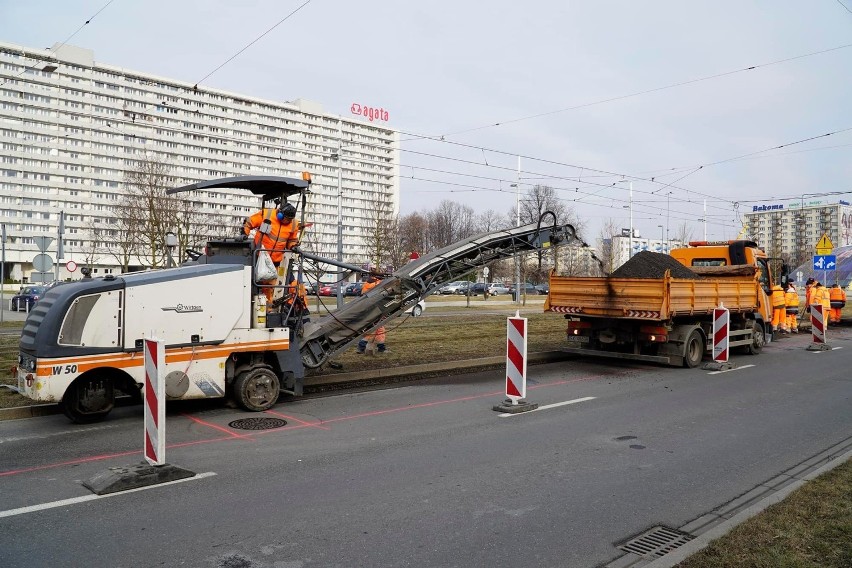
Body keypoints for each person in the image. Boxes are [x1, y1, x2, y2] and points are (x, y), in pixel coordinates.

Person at [242, 201, 302, 304]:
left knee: (279, 287)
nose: (287, 221)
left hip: (277, 261)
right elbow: (249, 222)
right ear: (280, 214)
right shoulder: (266, 214)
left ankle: (271, 311)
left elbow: (291, 240)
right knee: (261, 286)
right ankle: (265, 309)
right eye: (286, 218)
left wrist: (294, 246)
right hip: (259, 258)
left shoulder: (293, 224)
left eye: (289, 220)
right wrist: (243, 235)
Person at [356, 276, 387, 354]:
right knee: (377, 329)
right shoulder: (377, 283)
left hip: (367, 309)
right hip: (374, 310)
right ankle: (380, 348)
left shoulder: (366, 284)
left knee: (374, 329)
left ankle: (362, 347)